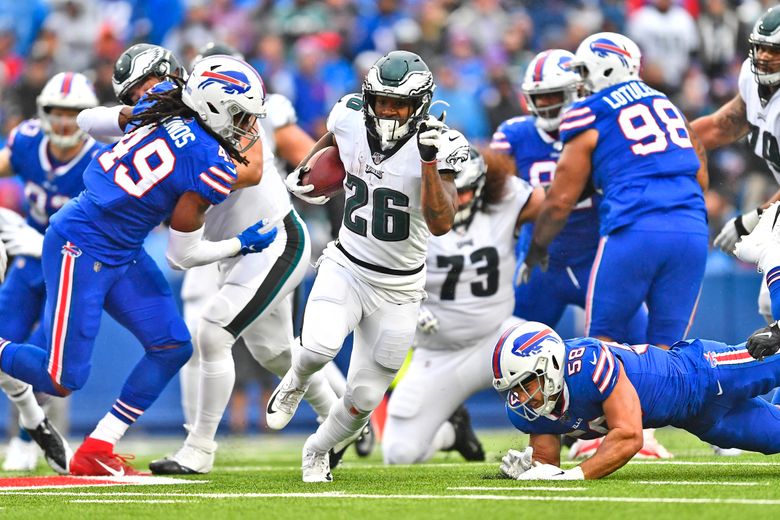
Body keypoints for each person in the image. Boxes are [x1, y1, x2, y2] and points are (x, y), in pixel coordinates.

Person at [0, 55, 277, 476]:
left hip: (121, 246)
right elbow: (180, 256)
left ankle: (97, 448)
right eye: (240, 115)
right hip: (83, 243)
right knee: (60, 379)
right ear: (214, 107)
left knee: (172, 345)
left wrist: (135, 114)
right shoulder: (210, 164)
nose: (247, 127)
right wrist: (240, 244)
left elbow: (89, 121)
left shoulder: (163, 100)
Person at [267, 50, 468, 483]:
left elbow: (441, 222)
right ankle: (297, 379)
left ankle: (317, 450)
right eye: (382, 101)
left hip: (400, 286)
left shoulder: (443, 143)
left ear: (422, 106)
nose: (388, 111)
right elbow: (333, 140)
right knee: (319, 347)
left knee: (364, 398)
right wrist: (309, 169)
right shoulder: (350, 116)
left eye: (399, 104)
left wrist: (429, 163)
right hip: (348, 265)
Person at [520, 32, 709, 349]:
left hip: (635, 229)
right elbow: (701, 177)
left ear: (604, 68)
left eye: (583, 71)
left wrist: (537, 246)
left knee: (603, 345)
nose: (580, 81)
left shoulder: (589, 112)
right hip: (691, 232)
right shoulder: (666, 102)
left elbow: (561, 201)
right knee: (669, 353)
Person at [382, 146, 544, 465]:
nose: (461, 198)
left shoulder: (507, 197)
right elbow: (380, 276)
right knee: (399, 455)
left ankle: (555, 441)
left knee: (546, 346)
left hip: (497, 338)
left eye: (467, 189)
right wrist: (410, 305)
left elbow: (554, 202)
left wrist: (541, 245)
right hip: (437, 353)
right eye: (451, 189)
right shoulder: (406, 212)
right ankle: (451, 434)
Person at [491, 320, 780, 481]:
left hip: (704, 372)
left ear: (551, 362)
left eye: (527, 383)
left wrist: (576, 475)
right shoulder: (527, 411)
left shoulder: (588, 363)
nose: (522, 397)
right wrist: (532, 471)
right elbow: (549, 468)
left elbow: (629, 436)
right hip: (697, 418)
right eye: (514, 390)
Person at [492, 49, 647, 344]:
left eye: (554, 95)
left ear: (577, 91)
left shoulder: (603, 130)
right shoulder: (514, 135)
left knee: (643, 349)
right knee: (511, 353)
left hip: (599, 261)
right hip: (539, 266)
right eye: (540, 97)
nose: (546, 105)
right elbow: (493, 198)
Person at [0, 72, 101, 474]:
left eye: (73, 114)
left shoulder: (101, 155)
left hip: (72, 262)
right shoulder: (26, 142)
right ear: (43, 112)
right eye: (57, 113)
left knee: (49, 360)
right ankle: (26, 430)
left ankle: (27, 438)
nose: (63, 123)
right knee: (4, 342)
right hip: (27, 257)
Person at [692, 6, 780, 325]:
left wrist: (753, 220)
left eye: (775, 50)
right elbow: (724, 125)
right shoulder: (752, 78)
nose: (765, 57)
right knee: (770, 305)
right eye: (761, 48)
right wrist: (670, 139)